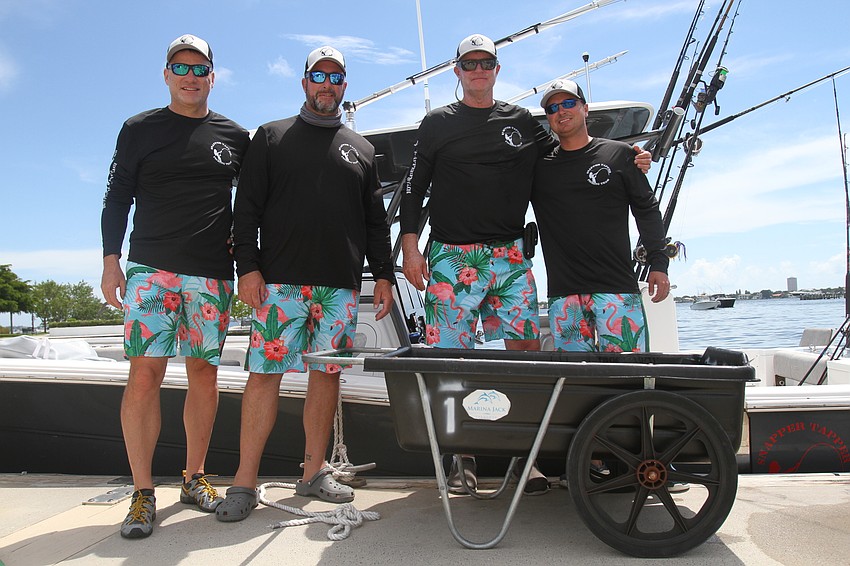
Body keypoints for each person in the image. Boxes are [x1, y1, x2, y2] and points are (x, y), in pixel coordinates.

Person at [400, 34, 650, 497]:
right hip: (452, 258)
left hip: (511, 257)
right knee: (450, 358)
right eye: (469, 63)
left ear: (497, 69)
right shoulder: (436, 123)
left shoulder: (520, 120)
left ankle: (527, 461)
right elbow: (414, 187)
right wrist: (410, 244)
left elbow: (570, 149)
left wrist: (629, 158)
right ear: (457, 71)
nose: (478, 70)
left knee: (526, 357)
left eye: (487, 62)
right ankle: (462, 459)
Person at [215, 46, 395, 522]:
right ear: (304, 82)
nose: (327, 85)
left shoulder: (363, 150)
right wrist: (248, 270)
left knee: (326, 377)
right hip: (279, 286)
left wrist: (383, 275)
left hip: (338, 288)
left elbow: (375, 222)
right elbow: (245, 210)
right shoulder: (270, 137)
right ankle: (244, 482)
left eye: (336, 78)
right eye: (319, 76)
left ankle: (314, 473)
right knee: (264, 377)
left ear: (344, 87)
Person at [100, 34, 250, 539]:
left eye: (200, 68)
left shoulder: (235, 136)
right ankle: (142, 493)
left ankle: (194, 477)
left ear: (213, 75)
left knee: (204, 375)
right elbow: (117, 196)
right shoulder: (139, 129)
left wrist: (249, 256)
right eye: (180, 67)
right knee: (144, 376)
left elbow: (253, 206)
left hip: (211, 274)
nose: (190, 76)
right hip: (150, 270)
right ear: (166, 74)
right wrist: (110, 261)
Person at [531, 79, 686, 491]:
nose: (560, 111)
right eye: (551, 107)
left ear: (585, 108)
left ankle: (639, 465)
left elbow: (647, 211)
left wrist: (658, 263)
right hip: (565, 296)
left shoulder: (620, 156)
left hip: (616, 292)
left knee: (631, 382)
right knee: (579, 387)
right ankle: (586, 465)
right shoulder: (539, 164)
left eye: (568, 103)